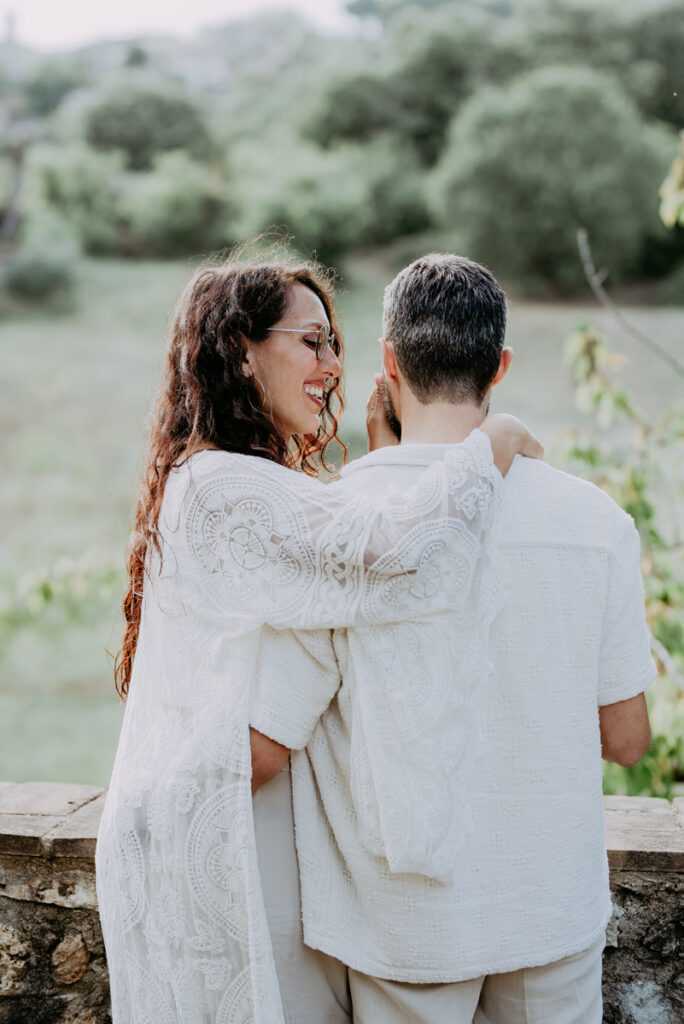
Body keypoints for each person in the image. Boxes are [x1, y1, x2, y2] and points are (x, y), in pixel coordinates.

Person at [94, 254, 541, 1024]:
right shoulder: (221, 485)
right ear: (241, 349)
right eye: (313, 342)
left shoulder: (225, 479)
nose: (336, 366)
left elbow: (333, 563)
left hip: (226, 822)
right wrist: (491, 441)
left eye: (335, 343)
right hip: (215, 837)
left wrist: (380, 467)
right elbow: (394, 557)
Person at [250, 254, 655, 1024]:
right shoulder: (596, 522)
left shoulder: (335, 524)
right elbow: (629, 739)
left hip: (404, 923)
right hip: (547, 909)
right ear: (499, 366)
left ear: (388, 363)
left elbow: (268, 743)